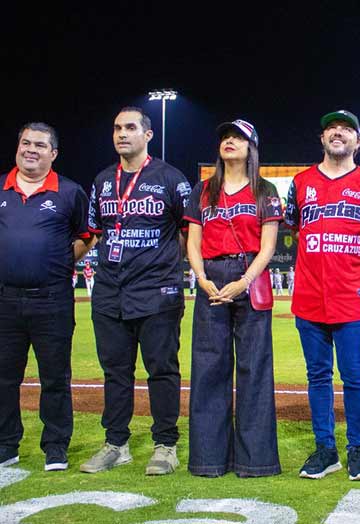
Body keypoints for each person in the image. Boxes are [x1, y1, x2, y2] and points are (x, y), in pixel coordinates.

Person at [81, 107, 191, 475]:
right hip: (110, 291)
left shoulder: (171, 179)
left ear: (148, 135)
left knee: (161, 369)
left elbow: (190, 231)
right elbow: (97, 232)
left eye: (130, 128)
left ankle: (165, 445)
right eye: (116, 128)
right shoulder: (100, 181)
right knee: (115, 371)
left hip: (157, 290)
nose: (122, 134)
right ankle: (116, 444)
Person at [284, 110, 360, 481]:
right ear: (322, 138)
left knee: (355, 376)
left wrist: (348, 258)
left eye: (346, 129)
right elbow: (296, 230)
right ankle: (325, 449)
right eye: (331, 128)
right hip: (310, 295)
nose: (338, 133)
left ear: (358, 142)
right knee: (317, 376)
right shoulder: (300, 183)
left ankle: (357, 450)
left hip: (351, 294)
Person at [184, 119, 282, 478]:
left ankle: (256, 462)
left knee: (255, 369)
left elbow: (269, 246)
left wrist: (244, 280)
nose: (229, 141)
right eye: (225, 136)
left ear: (251, 147)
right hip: (211, 278)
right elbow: (193, 242)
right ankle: (208, 460)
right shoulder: (204, 190)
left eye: (238, 137)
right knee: (209, 369)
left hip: (249, 279)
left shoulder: (265, 189)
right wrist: (202, 278)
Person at [0, 123, 91, 472]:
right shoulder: (1, 188)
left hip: (52, 299)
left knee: (55, 376)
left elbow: (88, 235)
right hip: (5, 300)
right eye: (25, 142)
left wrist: (59, 261)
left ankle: (55, 446)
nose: (31, 149)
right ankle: (7, 445)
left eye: (40, 145)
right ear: (17, 147)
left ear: (53, 154)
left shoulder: (69, 192)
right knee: (4, 377)